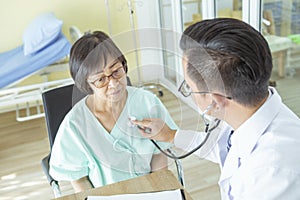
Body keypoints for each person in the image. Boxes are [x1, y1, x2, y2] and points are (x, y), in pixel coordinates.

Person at [132, 18, 300, 199]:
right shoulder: (247, 111)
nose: (188, 91)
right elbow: (223, 149)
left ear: (215, 101)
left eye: (189, 87)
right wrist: (170, 135)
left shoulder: (273, 173)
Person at [49, 31, 177, 192]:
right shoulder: (75, 125)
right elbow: (79, 178)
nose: (113, 84)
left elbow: (159, 152)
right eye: (101, 79)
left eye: (116, 71)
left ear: (123, 65)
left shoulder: (147, 102)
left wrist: (157, 191)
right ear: (87, 84)